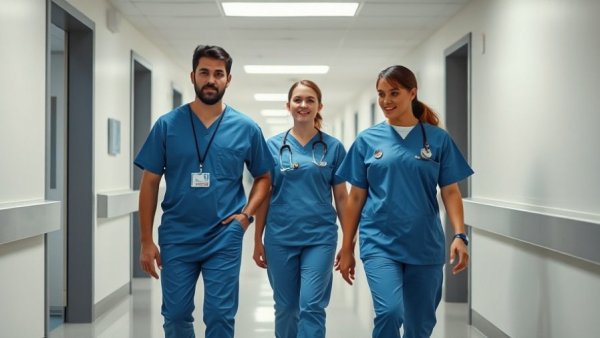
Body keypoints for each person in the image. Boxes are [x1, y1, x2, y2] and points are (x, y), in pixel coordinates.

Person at [134, 45, 273, 338]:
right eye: (204, 72)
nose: (211, 80)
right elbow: (149, 182)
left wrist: (245, 217)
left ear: (228, 79)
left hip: (224, 235)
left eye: (218, 74)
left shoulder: (246, 128)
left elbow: (263, 177)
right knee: (175, 316)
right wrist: (146, 240)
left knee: (221, 316)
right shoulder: (167, 125)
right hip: (177, 235)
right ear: (193, 76)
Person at [335, 65, 473, 338]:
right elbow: (356, 197)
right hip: (379, 241)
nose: (386, 101)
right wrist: (347, 245)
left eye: (394, 93)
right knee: (389, 312)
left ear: (412, 93)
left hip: (424, 243)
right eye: (381, 94)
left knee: (419, 325)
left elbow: (451, 192)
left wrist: (460, 234)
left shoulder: (437, 139)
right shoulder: (367, 140)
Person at [253, 80, 348, 338]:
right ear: (288, 106)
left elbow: (341, 196)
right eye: (298, 100)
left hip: (320, 238)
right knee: (286, 308)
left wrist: (349, 242)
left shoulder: (334, 147)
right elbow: (264, 196)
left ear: (319, 106)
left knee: (312, 307)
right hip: (280, 237)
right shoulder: (271, 146)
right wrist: (257, 239)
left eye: (309, 100)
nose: (303, 105)